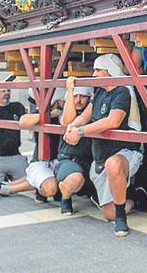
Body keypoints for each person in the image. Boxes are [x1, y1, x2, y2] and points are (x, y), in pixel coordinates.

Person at [62, 54, 143, 237]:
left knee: (113, 164)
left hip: (126, 152)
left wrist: (81, 132)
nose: (94, 73)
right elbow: (84, 117)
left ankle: (122, 218)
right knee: (109, 214)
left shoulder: (122, 91)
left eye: (98, 70)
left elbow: (113, 121)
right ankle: (136, 198)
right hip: (100, 157)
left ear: (110, 71)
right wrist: (73, 126)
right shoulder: (99, 92)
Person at [56, 80, 96, 215]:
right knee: (76, 179)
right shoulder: (66, 111)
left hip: (91, 161)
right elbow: (67, 121)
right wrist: (70, 90)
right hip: (68, 160)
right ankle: (65, 197)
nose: (78, 100)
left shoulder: (93, 112)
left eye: (83, 96)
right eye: (75, 96)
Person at [18, 94, 63, 203]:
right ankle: (7, 188)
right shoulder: (42, 111)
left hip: (62, 161)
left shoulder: (70, 112)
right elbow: (23, 122)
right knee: (49, 187)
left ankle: (7, 188)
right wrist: (48, 115)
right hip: (43, 161)